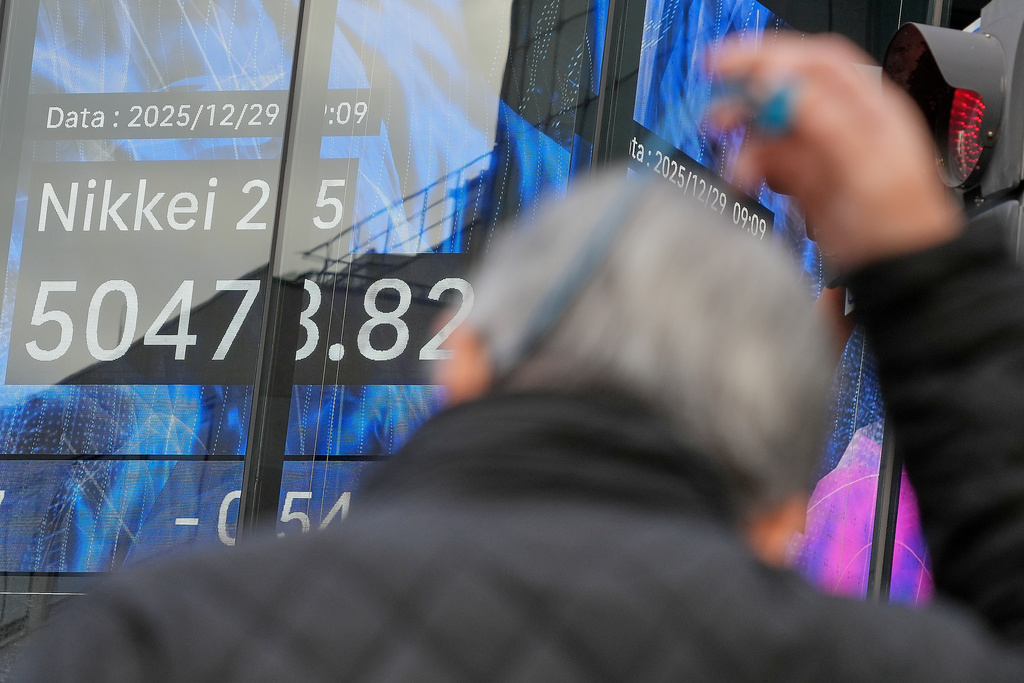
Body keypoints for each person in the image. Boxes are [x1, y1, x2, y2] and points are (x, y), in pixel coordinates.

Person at [14, 34, 1024, 681]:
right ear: (774, 511)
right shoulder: (860, 658)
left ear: (458, 359)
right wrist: (922, 269)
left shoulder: (167, 633)